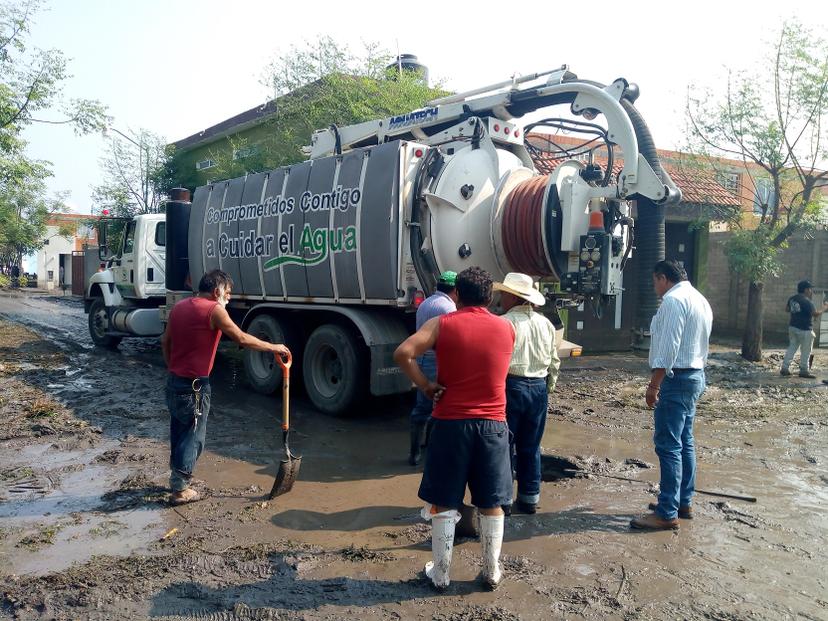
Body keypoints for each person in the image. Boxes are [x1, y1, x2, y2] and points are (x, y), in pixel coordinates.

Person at [394, 266, 515, 590]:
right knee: (491, 502)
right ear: (489, 297)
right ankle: (491, 571)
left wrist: (426, 386)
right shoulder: (506, 329)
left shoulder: (441, 324)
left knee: (445, 501)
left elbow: (403, 353)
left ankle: (441, 573)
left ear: (457, 295)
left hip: (451, 424)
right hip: (493, 425)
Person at [161, 269, 290, 506]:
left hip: (174, 383)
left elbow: (165, 341)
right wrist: (275, 347)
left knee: (179, 430)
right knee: (194, 436)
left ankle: (177, 477)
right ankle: (180, 489)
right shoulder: (214, 310)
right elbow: (241, 338)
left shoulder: (179, 307)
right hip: (196, 387)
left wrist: (174, 369)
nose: (229, 299)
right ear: (217, 291)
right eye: (228, 293)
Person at [631, 260, 713, 531]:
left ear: (662, 278)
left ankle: (667, 513)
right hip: (695, 376)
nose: (655, 288)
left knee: (668, 445)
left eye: (655, 282)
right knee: (685, 440)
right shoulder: (699, 299)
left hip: (676, 379)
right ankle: (681, 502)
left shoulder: (673, 301)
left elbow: (668, 348)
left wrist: (654, 385)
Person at [495, 272, 560, 515]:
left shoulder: (504, 323)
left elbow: (497, 361)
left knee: (504, 445)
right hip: (538, 387)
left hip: (511, 385)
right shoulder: (545, 324)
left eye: (503, 293)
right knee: (531, 446)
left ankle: (504, 500)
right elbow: (554, 361)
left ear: (512, 296)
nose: (501, 296)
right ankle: (530, 498)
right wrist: (548, 388)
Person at [407, 271, 458, 466]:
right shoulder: (449, 308)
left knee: (422, 406)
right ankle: (429, 449)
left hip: (421, 360)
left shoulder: (426, 304)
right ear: (455, 290)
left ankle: (414, 452)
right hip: (436, 361)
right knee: (439, 406)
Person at [780, 280, 828, 379]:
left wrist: (798, 312)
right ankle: (804, 371)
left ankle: (784, 368)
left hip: (793, 327)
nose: (811, 291)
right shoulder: (807, 301)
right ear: (806, 290)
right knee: (806, 350)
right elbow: (815, 314)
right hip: (805, 329)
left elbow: (787, 309)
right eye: (810, 289)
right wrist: (824, 308)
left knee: (792, 347)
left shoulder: (792, 299)